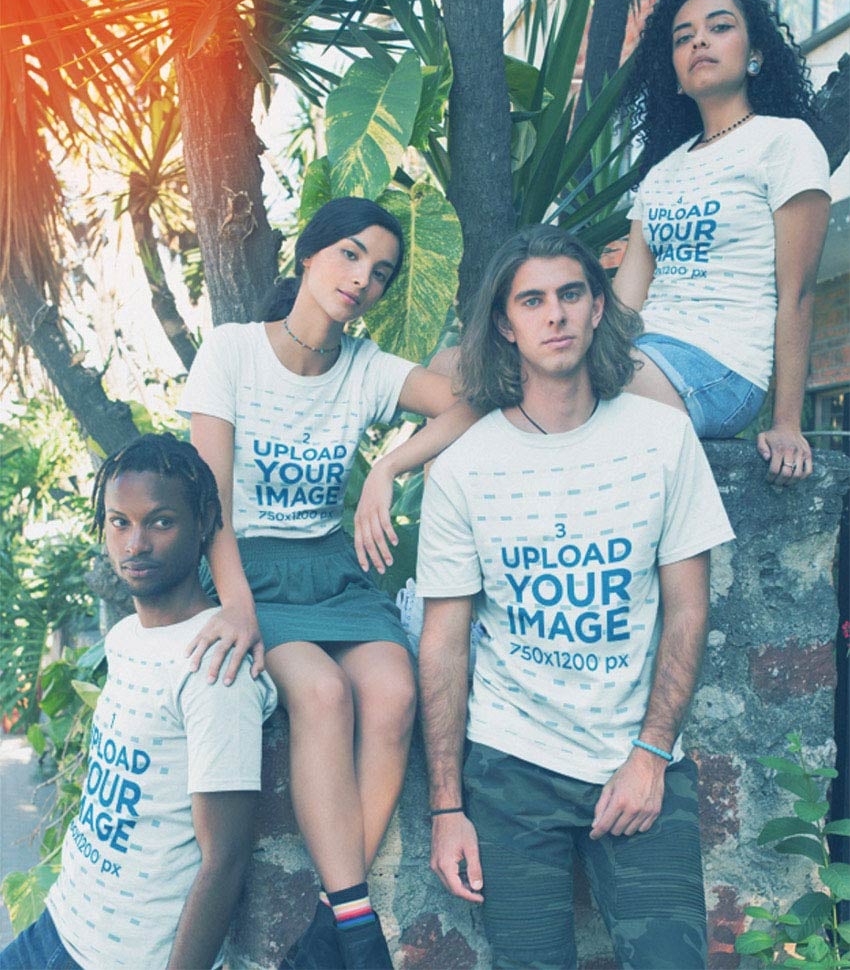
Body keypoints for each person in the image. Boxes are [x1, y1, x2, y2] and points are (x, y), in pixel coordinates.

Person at [416, 226, 735, 970]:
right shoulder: (466, 467)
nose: (553, 314)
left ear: (598, 308)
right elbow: (443, 643)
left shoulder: (663, 439)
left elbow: (689, 606)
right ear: (506, 323)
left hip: (638, 758)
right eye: (532, 300)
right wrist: (445, 806)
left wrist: (652, 755)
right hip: (510, 769)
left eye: (570, 294)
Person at [179, 196, 477, 969]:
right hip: (248, 571)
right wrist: (237, 606)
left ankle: (325, 921)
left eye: (380, 273)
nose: (361, 280)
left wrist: (389, 463)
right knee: (321, 694)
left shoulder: (367, 369)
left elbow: (472, 403)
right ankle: (355, 928)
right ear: (308, 255)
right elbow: (208, 504)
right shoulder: (232, 352)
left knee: (395, 691)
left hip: (332, 571)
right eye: (348, 255)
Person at [0, 434, 277, 970]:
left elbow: (225, 859)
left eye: (160, 521)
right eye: (119, 522)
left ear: (202, 527)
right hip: (59, 925)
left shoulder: (215, 667)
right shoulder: (125, 638)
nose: (135, 543)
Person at [616, 0, 831, 484]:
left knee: (567, 383)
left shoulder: (785, 142)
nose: (699, 41)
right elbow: (626, 300)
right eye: (683, 36)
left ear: (754, 54)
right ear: (673, 70)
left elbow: (796, 293)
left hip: (723, 367)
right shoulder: (661, 172)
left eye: (719, 27)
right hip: (642, 353)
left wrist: (785, 423)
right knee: (459, 368)